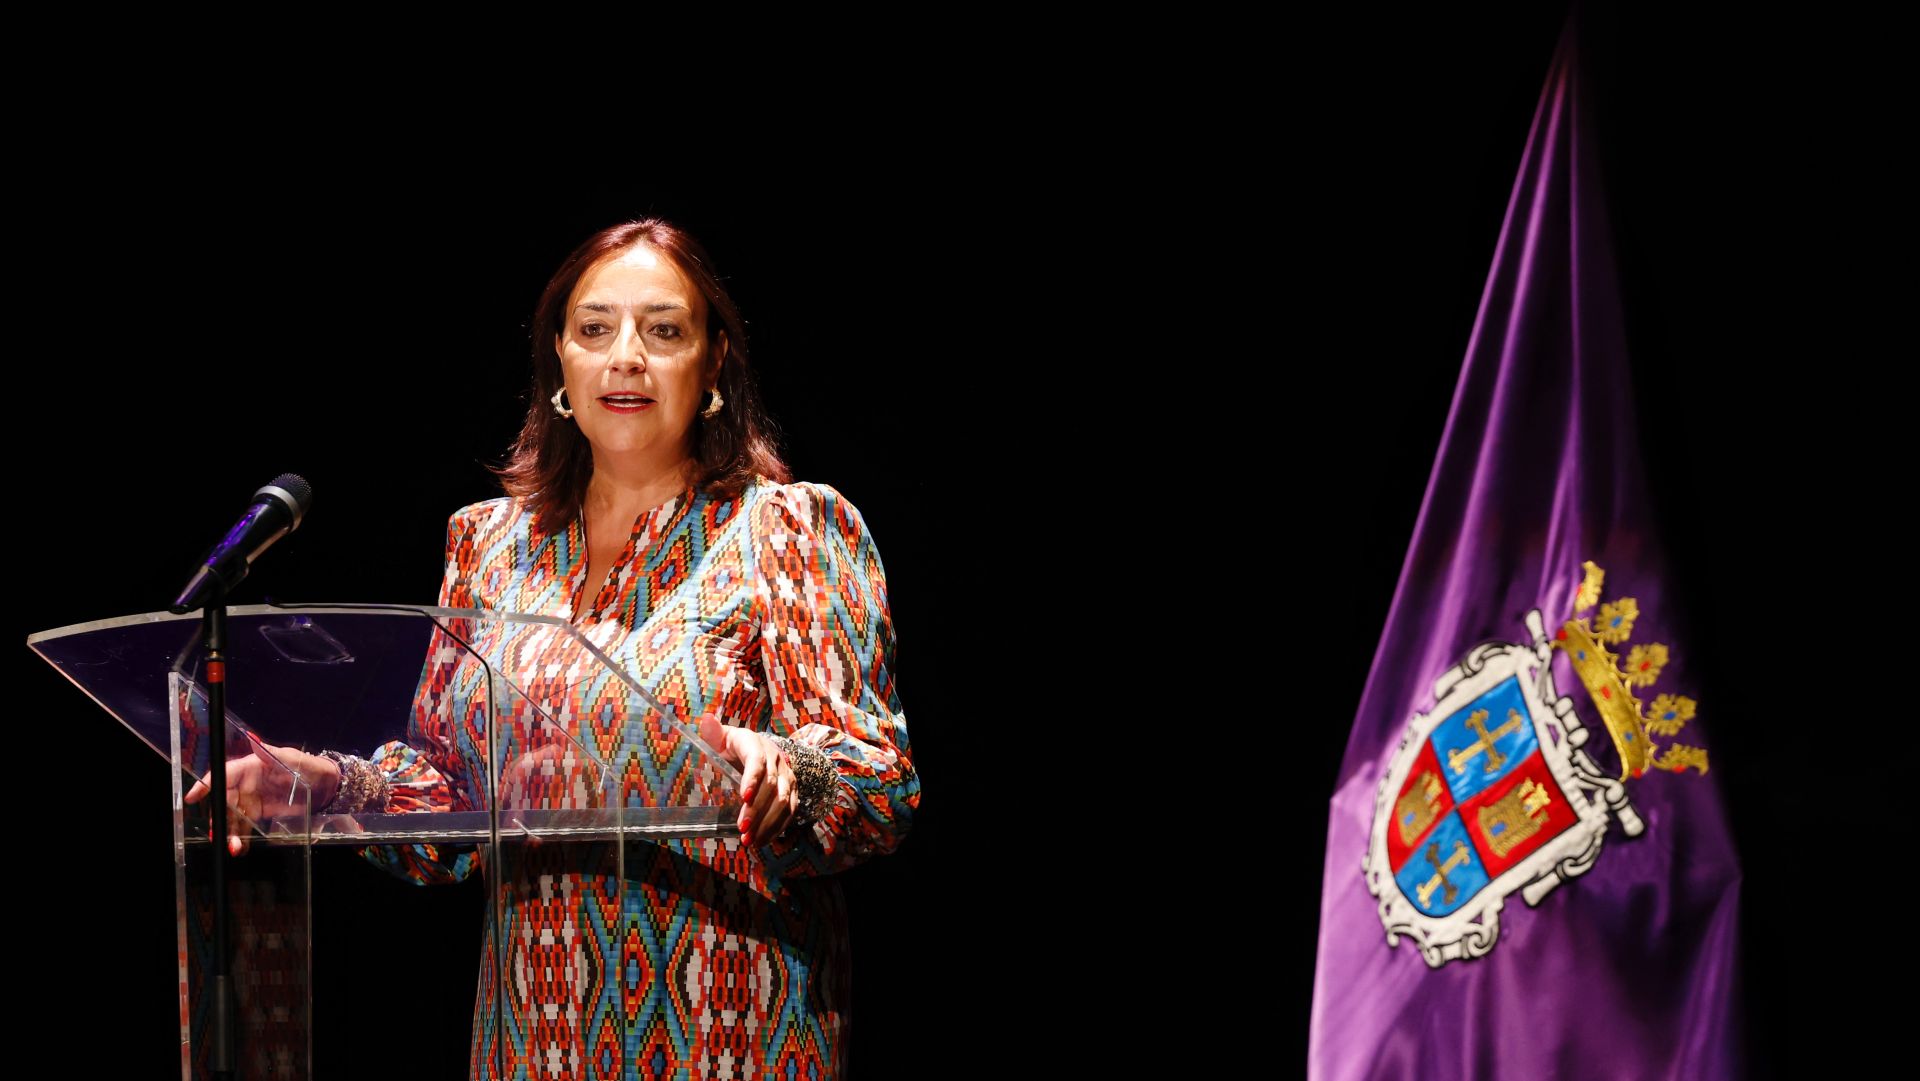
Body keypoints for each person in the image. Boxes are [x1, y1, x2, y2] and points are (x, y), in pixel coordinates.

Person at [187, 218, 919, 1077]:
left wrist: (787, 767)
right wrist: (317, 783)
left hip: (724, 1024)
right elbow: (451, 791)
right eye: (595, 328)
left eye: (664, 330)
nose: (626, 357)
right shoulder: (488, 546)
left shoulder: (790, 529)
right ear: (559, 360)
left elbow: (882, 784)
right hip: (527, 1030)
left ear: (714, 360)